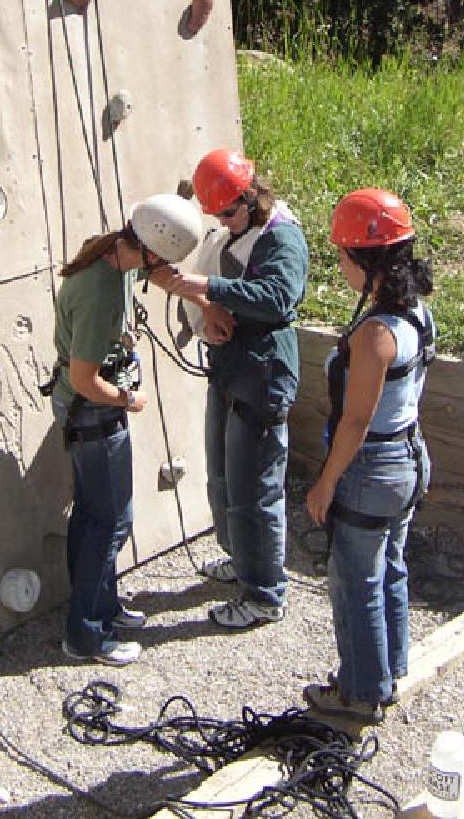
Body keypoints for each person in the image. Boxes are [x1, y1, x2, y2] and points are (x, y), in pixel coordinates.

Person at [159, 149, 309, 629]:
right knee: (223, 479)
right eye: (216, 213)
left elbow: (276, 298)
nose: (220, 220)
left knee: (254, 490)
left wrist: (209, 288)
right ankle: (240, 561)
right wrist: (208, 315)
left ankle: (265, 594)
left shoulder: (281, 237)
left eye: (226, 211)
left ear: (251, 198)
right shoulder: (234, 232)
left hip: (263, 376)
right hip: (230, 368)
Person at [50, 194, 202, 666]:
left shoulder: (115, 255)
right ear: (153, 250)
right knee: (113, 520)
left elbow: (155, 276)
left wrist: (203, 301)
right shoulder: (99, 291)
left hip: (81, 409)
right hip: (93, 409)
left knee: (91, 513)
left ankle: (100, 606)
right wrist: (128, 399)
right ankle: (87, 634)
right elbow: (84, 380)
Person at [304, 187, 435, 723]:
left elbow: (356, 421)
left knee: (356, 579)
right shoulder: (416, 314)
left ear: (364, 260)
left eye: (342, 255)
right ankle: (388, 670)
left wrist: (326, 481)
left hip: (372, 467)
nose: (339, 265)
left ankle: (360, 693)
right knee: (391, 567)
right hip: (407, 458)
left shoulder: (376, 334)